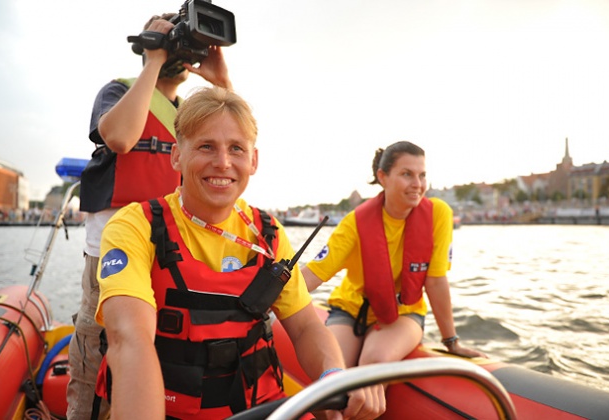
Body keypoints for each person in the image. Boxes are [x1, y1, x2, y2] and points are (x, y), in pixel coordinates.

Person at [93, 87, 384, 419]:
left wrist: (332, 375)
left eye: (236, 149)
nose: (223, 163)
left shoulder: (269, 233)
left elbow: (305, 327)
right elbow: (129, 337)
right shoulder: (135, 225)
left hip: (261, 408)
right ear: (177, 155)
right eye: (206, 146)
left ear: (253, 160)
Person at [66, 13, 233, 419]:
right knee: (98, 348)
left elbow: (235, 144)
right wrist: (153, 61)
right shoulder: (119, 92)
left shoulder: (191, 111)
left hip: (171, 250)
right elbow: (120, 137)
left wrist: (221, 84)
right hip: (112, 250)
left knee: (158, 350)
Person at [302, 141, 487, 390]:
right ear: (383, 177)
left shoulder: (439, 214)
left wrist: (451, 342)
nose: (417, 184)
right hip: (350, 310)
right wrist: (265, 299)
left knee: (372, 364)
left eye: (422, 175)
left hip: (402, 313)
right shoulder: (354, 223)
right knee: (331, 378)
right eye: (406, 174)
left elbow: (435, 281)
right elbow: (313, 275)